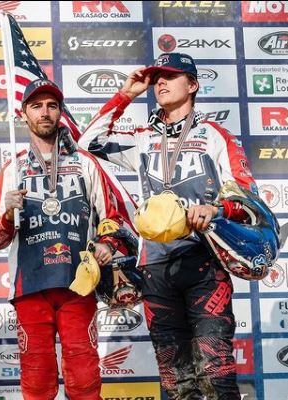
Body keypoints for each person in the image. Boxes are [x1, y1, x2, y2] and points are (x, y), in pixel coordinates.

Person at [79, 52, 257, 399]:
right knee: (176, 381)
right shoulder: (143, 137)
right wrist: (125, 94)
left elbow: (247, 197)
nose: (160, 82)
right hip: (155, 267)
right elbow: (87, 144)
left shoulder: (214, 135)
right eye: (157, 77)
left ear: (192, 85)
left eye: (171, 76)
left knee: (216, 371)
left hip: (204, 262)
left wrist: (215, 208)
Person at [0, 79, 131, 400]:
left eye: (52, 106)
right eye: (36, 106)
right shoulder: (12, 169)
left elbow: (112, 217)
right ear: (24, 114)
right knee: (37, 381)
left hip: (78, 284)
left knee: (84, 378)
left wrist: (107, 244)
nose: (45, 112)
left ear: (60, 112)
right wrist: (8, 213)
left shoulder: (85, 162)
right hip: (29, 287)